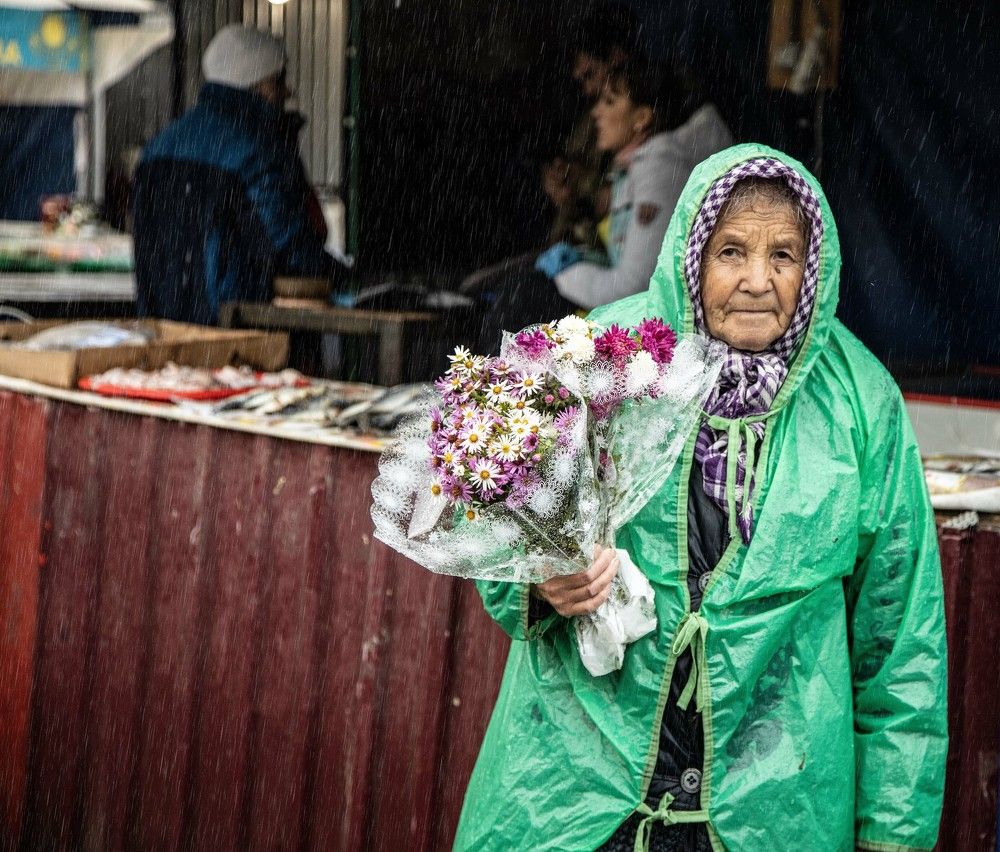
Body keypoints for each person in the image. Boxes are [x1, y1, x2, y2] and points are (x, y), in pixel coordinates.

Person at [454, 144, 947, 851]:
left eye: (783, 255)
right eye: (731, 251)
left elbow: (899, 647)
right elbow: (493, 522)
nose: (757, 280)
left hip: (773, 811)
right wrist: (542, 579)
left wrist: (893, 838)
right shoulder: (606, 358)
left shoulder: (862, 405)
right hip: (578, 795)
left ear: (814, 269)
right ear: (691, 254)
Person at [132, 24, 346, 325]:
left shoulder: (156, 149)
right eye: (279, 80)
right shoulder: (255, 148)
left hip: (165, 327)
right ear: (256, 84)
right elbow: (288, 245)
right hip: (233, 328)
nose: (288, 90)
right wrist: (342, 280)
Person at [541, 57, 732, 310]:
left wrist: (563, 275)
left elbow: (636, 288)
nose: (596, 112)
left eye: (609, 102)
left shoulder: (659, 167)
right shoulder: (631, 168)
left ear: (641, 118)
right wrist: (585, 258)